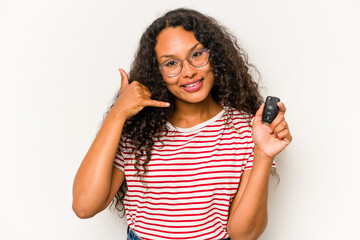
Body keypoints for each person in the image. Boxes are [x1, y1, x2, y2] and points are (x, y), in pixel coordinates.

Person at [72, 8, 292, 240]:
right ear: (157, 72)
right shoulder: (137, 129)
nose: (188, 72)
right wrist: (117, 114)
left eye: (197, 55)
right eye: (171, 63)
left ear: (214, 55)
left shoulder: (247, 130)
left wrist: (264, 154)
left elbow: (244, 234)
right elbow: (84, 206)